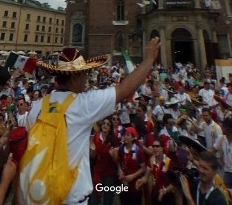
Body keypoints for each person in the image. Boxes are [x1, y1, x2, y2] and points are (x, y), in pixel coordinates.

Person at [24, 37, 161, 205]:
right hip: (72, 198)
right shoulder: (83, 104)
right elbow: (125, 89)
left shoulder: (37, 107)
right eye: (84, 74)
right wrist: (149, 60)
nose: (86, 78)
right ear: (74, 78)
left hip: (42, 196)